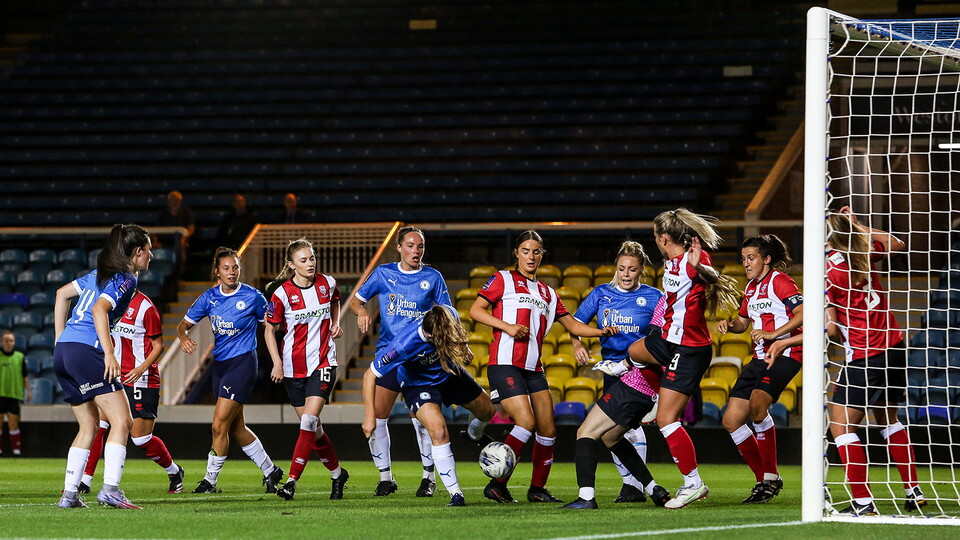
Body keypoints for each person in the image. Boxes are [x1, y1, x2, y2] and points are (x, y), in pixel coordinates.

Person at [470, 230, 618, 504]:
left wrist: (600, 332)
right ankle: (497, 484)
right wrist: (507, 327)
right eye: (525, 251)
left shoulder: (548, 293)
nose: (531, 256)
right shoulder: (503, 279)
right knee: (526, 422)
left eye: (536, 251)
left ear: (542, 255)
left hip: (533, 368)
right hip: (505, 364)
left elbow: (572, 325)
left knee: (548, 430)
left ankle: (537, 489)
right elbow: (475, 310)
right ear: (516, 253)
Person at [626, 208, 740, 509]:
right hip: (670, 340)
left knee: (667, 420)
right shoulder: (672, 262)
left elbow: (711, 276)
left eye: (655, 236)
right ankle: (655, 396)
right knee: (634, 351)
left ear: (664, 238)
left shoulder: (693, 259)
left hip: (689, 349)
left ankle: (693, 484)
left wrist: (699, 266)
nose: (655, 241)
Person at [825, 207, 924, 515]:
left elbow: (831, 329)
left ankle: (863, 501)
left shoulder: (828, 269)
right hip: (895, 347)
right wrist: (860, 226)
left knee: (840, 427)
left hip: (865, 354)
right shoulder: (864, 253)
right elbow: (897, 243)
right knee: (888, 419)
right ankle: (913, 490)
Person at [53, 223, 152, 509]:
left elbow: (61, 294)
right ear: (137, 252)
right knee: (123, 422)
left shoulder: (98, 274)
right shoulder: (126, 278)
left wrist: (59, 339)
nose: (152, 256)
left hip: (65, 352)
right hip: (88, 351)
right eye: (149, 250)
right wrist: (109, 353)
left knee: (89, 426)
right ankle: (110, 490)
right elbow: (99, 310)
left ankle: (69, 495)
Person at [350, 226, 453, 497]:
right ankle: (386, 478)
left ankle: (428, 477)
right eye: (410, 245)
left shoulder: (433, 277)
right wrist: (362, 313)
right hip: (390, 355)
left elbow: (447, 313)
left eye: (420, 246)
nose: (416, 251)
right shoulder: (383, 273)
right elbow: (355, 302)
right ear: (399, 247)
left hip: (420, 357)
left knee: (420, 418)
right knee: (378, 417)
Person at [565, 241, 668, 505]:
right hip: (611, 370)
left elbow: (663, 336)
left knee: (615, 429)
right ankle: (644, 487)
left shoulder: (654, 297)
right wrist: (577, 344)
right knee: (612, 433)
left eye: (631, 269)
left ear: (641, 269)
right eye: (621, 268)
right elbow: (575, 324)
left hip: (640, 371)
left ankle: (624, 488)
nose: (625, 274)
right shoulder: (601, 293)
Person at [361, 305, 495, 507]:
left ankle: (473, 434)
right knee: (438, 431)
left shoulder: (448, 314)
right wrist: (370, 416)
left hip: (449, 372)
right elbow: (369, 375)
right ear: (430, 335)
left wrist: (465, 350)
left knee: (488, 411)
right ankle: (456, 494)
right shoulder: (403, 344)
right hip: (419, 385)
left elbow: (457, 330)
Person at [178, 247, 284, 494]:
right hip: (220, 366)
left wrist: (277, 317)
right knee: (236, 427)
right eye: (226, 268)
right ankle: (271, 471)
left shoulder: (253, 297)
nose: (232, 272)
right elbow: (183, 325)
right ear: (217, 271)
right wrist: (183, 337)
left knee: (218, 425)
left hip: (243, 363)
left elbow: (272, 326)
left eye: (235, 267)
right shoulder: (209, 298)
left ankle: (210, 481)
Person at [716, 234, 803, 504]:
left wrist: (774, 334)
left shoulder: (780, 281)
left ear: (766, 259)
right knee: (731, 420)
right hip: (760, 357)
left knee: (757, 404)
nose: (746, 263)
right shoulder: (751, 288)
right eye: (743, 259)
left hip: (786, 353)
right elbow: (743, 323)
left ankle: (769, 476)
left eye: (751, 258)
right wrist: (730, 324)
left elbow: (804, 313)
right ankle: (766, 480)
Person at [265, 238, 349, 501]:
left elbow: (335, 301)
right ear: (292, 265)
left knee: (308, 421)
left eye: (312, 258)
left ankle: (291, 481)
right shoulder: (281, 294)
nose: (310, 263)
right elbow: (269, 330)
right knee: (315, 429)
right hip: (293, 368)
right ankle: (337, 474)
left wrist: (335, 323)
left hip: (323, 362)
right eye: (303, 260)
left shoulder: (328, 283)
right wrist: (277, 362)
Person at [77, 289, 185, 495]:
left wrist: (140, 369)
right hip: (114, 375)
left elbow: (158, 345)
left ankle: (174, 471)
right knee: (99, 425)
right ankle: (85, 481)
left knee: (140, 438)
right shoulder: (109, 302)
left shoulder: (146, 307)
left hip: (140, 378)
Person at [0, 330, 29, 456]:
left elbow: (24, 375)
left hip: (14, 395)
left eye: (11, 340)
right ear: (2, 342)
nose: (8, 343)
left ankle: (16, 451)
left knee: (13, 423)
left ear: (14, 342)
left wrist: (28, 391)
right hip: (0, 394)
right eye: (6, 340)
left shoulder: (19, 357)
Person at [154, 190, 196, 264]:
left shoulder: (186, 212)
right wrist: (155, 241)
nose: (174, 203)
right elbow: (156, 230)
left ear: (180, 201)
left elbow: (191, 229)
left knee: (181, 248)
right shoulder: (162, 214)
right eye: (172, 200)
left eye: (176, 200)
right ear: (168, 202)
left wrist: (184, 239)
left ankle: (180, 269)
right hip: (164, 241)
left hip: (180, 241)